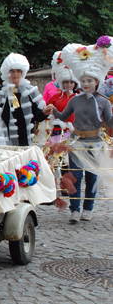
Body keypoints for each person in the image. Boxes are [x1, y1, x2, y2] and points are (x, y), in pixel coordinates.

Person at [49, 37, 113, 224]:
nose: (86, 84)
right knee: (75, 177)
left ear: (96, 82)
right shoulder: (74, 100)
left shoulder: (102, 101)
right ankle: (74, 210)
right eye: (83, 80)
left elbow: (109, 121)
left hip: (95, 143)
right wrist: (53, 110)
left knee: (92, 178)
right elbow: (63, 116)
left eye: (89, 81)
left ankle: (88, 209)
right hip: (77, 143)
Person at [0, 53, 53, 146]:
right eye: (12, 71)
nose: (15, 74)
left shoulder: (31, 90)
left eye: (18, 71)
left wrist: (45, 112)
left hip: (25, 137)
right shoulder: (1, 90)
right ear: (7, 72)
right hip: (4, 137)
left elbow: (38, 116)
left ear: (22, 72)